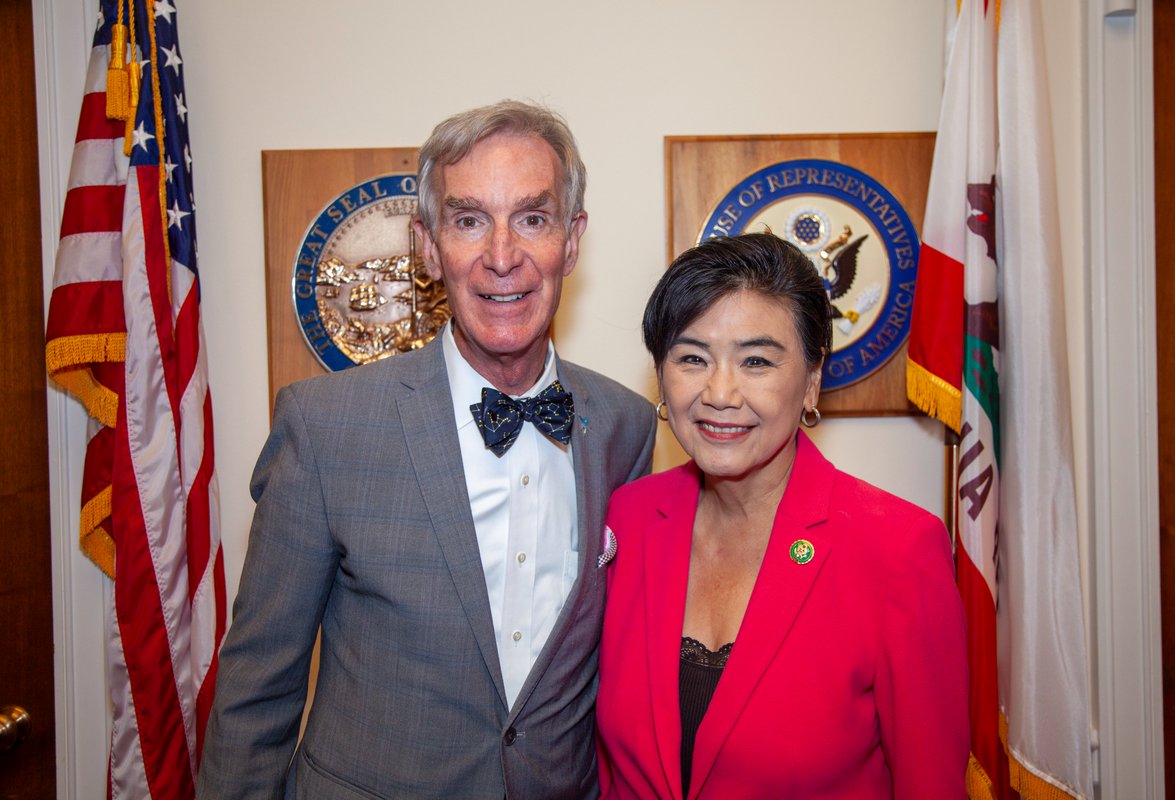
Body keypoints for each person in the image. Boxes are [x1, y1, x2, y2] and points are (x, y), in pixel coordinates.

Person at [198, 100, 656, 799]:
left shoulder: (626, 427)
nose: (502, 257)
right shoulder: (325, 427)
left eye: (532, 218)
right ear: (426, 244)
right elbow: (257, 691)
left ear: (572, 239)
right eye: (469, 220)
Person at [596, 233, 969, 799]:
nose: (720, 393)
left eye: (757, 361)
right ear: (661, 375)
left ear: (813, 378)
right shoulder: (630, 518)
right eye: (693, 358)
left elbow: (931, 786)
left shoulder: (898, 550)